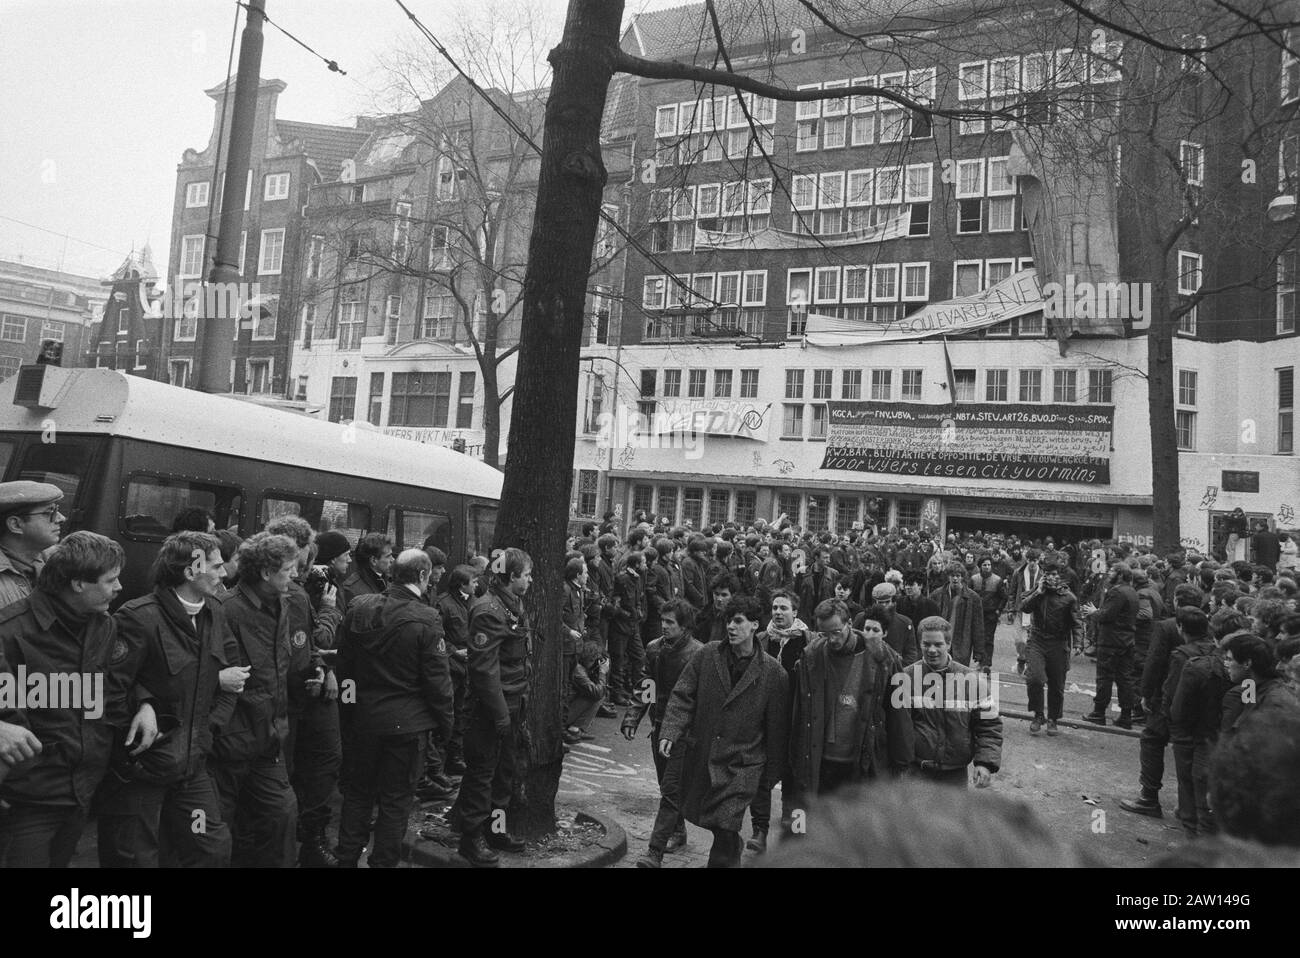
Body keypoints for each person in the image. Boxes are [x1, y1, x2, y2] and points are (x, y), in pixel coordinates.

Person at [0, 532, 157, 867]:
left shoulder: (104, 626)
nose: (119, 588)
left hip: (81, 792)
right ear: (77, 584)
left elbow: (113, 685)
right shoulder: (10, 631)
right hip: (26, 800)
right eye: (110, 580)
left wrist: (145, 705)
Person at [96, 532, 240, 868]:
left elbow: (230, 679)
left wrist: (208, 729)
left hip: (191, 768)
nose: (224, 574)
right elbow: (108, 691)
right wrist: (144, 720)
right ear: (191, 572)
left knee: (210, 847)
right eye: (216, 567)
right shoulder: (139, 617)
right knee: (135, 857)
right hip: (142, 772)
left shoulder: (214, 613)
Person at [334, 548, 454, 867]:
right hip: (407, 727)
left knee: (358, 795)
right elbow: (438, 684)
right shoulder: (426, 617)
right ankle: (383, 862)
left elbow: (344, 666)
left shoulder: (360, 607)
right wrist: (446, 728)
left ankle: (345, 858)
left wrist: (349, 713)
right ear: (423, 576)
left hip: (364, 721)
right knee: (395, 803)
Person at [658, 595, 789, 868]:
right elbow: (683, 695)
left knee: (727, 823)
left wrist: (771, 773)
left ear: (754, 625)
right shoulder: (707, 654)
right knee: (721, 827)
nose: (731, 626)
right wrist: (670, 730)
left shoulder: (774, 674)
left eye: (738, 621)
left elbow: (776, 727)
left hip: (744, 763)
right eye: (728, 620)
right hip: (706, 754)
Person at [209, 532, 303, 867]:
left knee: (282, 815)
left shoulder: (283, 604)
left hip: (267, 740)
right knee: (217, 834)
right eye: (289, 569)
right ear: (265, 573)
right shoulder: (225, 611)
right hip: (229, 745)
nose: (295, 575)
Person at [265, 516, 342, 868]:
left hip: (296, 690)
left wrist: (323, 667)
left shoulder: (292, 588)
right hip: (296, 696)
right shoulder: (294, 593)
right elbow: (313, 640)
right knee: (315, 763)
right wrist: (328, 611)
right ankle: (309, 840)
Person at [451, 548, 534, 867]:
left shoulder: (512, 602)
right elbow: (484, 671)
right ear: (511, 576)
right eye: (525, 574)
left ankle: (495, 830)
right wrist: (500, 714)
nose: (529, 580)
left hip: (514, 701)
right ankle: (470, 840)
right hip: (491, 708)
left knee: (505, 771)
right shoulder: (489, 609)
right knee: (482, 773)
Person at [787, 600, 911, 808]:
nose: (831, 639)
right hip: (822, 762)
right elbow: (799, 713)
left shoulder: (885, 659)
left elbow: (899, 713)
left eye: (836, 631)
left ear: (850, 623)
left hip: (864, 761)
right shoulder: (811, 657)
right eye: (824, 634)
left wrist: (902, 763)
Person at [625, 599, 703, 866]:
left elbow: (700, 700)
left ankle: (654, 852)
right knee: (666, 785)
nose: (664, 626)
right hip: (658, 727)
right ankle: (678, 830)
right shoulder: (654, 648)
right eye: (663, 620)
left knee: (671, 788)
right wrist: (633, 716)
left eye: (671, 622)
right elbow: (646, 683)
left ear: (685, 626)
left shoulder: (697, 654)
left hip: (684, 733)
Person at [896, 616, 1002, 787]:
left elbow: (989, 725)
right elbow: (895, 727)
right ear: (919, 644)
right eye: (926, 644)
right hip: (915, 773)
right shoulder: (904, 678)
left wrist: (985, 763)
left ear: (949, 644)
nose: (931, 650)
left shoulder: (972, 681)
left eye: (938, 644)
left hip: (954, 775)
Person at [1167, 624, 1236, 839]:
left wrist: (1180, 728)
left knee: (1193, 784)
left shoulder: (1196, 667)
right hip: (1225, 739)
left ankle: (1193, 839)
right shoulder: (1249, 682)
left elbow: (1178, 708)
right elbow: (1248, 709)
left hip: (1197, 735)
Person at [1018, 559, 1082, 735]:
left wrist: (1078, 642)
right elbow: (1024, 607)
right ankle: (1038, 715)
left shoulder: (1069, 597)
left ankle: (1053, 718)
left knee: (1056, 684)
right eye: (1048, 574)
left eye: (1055, 574)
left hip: (1058, 643)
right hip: (1037, 640)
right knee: (1035, 679)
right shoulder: (1038, 592)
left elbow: (1077, 622)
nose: (1051, 577)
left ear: (1060, 577)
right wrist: (1038, 592)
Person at [1081, 562, 1140, 729]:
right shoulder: (1132, 592)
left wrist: (1094, 612)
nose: (1109, 572)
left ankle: (1099, 713)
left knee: (1104, 678)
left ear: (1120, 574)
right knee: (1124, 679)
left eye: (1113, 570)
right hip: (1127, 640)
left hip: (1111, 641)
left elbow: (1107, 615)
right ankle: (1126, 716)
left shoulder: (1117, 592)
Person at [435, 565, 477, 774]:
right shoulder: (444, 604)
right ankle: (442, 760)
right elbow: (437, 635)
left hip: (467, 665)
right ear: (462, 584)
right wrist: (453, 652)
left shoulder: (473, 602)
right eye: (473, 581)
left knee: (461, 712)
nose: (477, 584)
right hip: (452, 666)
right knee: (449, 712)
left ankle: (454, 757)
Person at [0, 480, 64, 611]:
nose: (61, 518)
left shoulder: (59, 562)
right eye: (49, 513)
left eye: (57, 510)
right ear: (15, 525)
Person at [607, 550, 647, 708]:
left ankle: (634, 689)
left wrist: (638, 610)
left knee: (639, 656)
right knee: (618, 659)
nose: (645, 565)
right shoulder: (622, 579)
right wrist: (628, 614)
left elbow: (637, 599)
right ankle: (617, 692)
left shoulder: (637, 578)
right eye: (642, 562)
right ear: (636, 565)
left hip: (633, 625)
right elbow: (616, 603)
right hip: (620, 626)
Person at [928, 564, 986, 666]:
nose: (955, 578)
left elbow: (978, 625)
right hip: (939, 640)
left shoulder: (973, 598)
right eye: (952, 575)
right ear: (948, 576)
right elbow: (928, 620)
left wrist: (979, 650)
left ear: (962, 577)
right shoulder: (937, 594)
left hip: (961, 643)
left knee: (958, 675)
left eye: (958, 575)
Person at [854, 583, 919, 667]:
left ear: (894, 602)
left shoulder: (905, 623)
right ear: (875, 602)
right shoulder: (862, 618)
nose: (884, 605)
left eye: (887, 602)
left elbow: (911, 653)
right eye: (880, 602)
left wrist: (900, 670)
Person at [564, 641, 608, 745]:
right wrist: (602, 673)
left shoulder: (578, 665)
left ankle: (575, 728)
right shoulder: (578, 671)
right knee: (599, 695)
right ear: (591, 659)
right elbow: (597, 692)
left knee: (599, 692)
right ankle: (575, 728)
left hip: (566, 707)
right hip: (563, 714)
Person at [1007, 549, 1043, 673]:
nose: (1032, 563)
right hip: (1020, 609)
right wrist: (1011, 609)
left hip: (1036, 611)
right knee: (1019, 640)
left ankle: (1029, 663)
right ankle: (1021, 658)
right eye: (1029, 560)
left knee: (1032, 640)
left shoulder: (1043, 574)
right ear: (1026, 560)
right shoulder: (1018, 572)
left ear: (1038, 560)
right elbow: (1012, 592)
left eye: (1034, 560)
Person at [342, 533, 393, 606]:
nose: (392, 559)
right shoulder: (351, 590)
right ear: (374, 560)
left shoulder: (389, 581)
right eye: (388, 556)